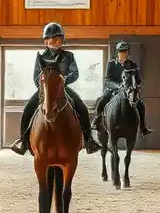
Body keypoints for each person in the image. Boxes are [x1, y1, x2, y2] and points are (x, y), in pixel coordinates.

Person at [10, 22, 102, 156]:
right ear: (45, 41)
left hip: (63, 88)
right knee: (28, 109)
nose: (53, 41)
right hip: (45, 90)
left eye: (57, 39)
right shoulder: (41, 57)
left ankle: (89, 141)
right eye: (50, 39)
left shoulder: (69, 56)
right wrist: (44, 87)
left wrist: (62, 81)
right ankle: (23, 141)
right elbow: (36, 76)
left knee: (82, 107)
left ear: (62, 40)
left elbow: (75, 73)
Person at [93, 42, 152, 136]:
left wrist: (135, 86)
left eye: (125, 52)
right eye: (121, 52)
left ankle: (143, 127)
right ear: (117, 53)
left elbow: (138, 79)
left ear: (127, 53)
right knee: (103, 98)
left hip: (128, 89)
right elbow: (108, 80)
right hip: (113, 88)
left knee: (141, 104)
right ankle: (96, 119)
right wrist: (118, 86)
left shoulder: (133, 65)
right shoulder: (111, 64)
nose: (123, 54)